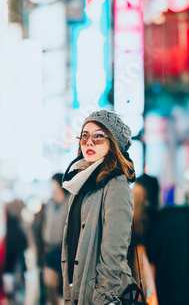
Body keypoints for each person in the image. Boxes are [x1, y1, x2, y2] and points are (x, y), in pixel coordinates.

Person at [61, 110, 137, 305]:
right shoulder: (79, 182)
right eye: (84, 136)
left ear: (113, 142)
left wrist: (103, 297)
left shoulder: (116, 185)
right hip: (77, 291)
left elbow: (115, 252)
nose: (89, 142)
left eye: (99, 136)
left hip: (102, 298)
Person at [42, 173, 69, 305]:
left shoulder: (69, 203)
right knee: (49, 285)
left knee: (63, 290)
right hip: (50, 251)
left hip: (64, 252)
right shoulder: (49, 205)